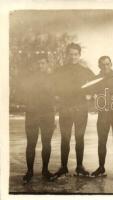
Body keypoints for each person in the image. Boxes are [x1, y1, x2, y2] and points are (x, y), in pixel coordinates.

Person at [53, 43, 95, 177]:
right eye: (70, 54)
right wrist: (57, 96)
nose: (73, 57)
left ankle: (79, 166)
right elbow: (52, 86)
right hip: (65, 109)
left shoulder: (85, 71)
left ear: (79, 55)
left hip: (81, 109)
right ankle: (64, 167)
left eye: (75, 54)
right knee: (65, 138)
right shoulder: (59, 71)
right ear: (67, 55)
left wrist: (91, 95)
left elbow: (96, 83)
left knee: (79, 138)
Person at [21, 54, 56, 183]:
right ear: (34, 65)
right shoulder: (28, 78)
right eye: (38, 63)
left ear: (47, 64)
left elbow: (56, 96)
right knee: (31, 143)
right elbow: (21, 94)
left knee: (47, 143)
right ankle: (29, 171)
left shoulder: (52, 79)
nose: (40, 65)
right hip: (32, 114)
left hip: (47, 114)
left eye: (43, 63)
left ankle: (45, 170)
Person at [90, 56, 113, 177]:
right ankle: (101, 167)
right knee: (102, 142)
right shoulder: (95, 79)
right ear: (99, 66)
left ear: (111, 64)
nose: (105, 67)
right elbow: (89, 94)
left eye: (107, 64)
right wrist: (93, 100)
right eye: (103, 64)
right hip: (103, 115)